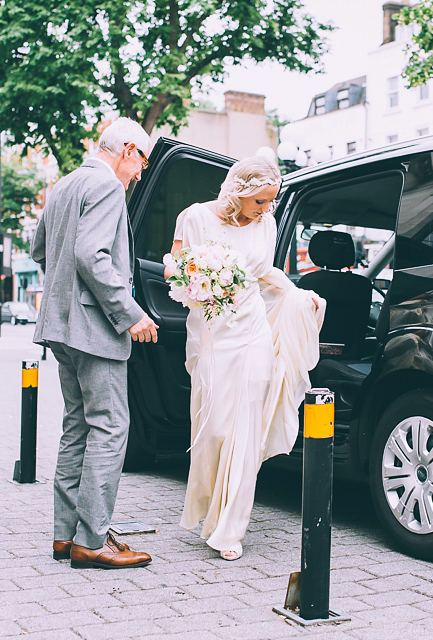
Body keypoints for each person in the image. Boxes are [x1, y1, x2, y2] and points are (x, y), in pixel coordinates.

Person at [166, 156, 325, 561]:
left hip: (253, 331)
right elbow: (173, 267)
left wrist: (296, 295)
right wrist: (194, 281)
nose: (266, 209)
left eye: (271, 201)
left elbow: (264, 272)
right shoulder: (195, 218)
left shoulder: (267, 224)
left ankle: (230, 529)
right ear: (238, 191)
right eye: (260, 201)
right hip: (212, 333)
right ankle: (209, 510)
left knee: (248, 429)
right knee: (217, 427)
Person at [31, 117, 159, 570]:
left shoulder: (64, 185)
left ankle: (65, 537)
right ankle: (92, 540)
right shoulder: (106, 188)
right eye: (141, 161)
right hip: (95, 330)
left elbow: (39, 248)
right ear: (126, 150)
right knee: (109, 427)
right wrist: (130, 313)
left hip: (59, 326)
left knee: (76, 429)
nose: (141, 172)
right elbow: (92, 255)